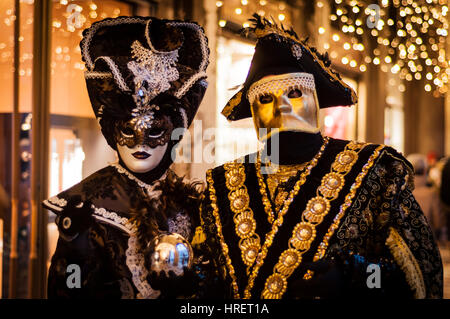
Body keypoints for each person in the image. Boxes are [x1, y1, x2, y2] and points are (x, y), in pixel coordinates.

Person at [198, 14, 443, 299]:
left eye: (295, 92)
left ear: (316, 98)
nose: (283, 107)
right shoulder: (222, 183)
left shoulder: (375, 172)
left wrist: (358, 276)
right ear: (253, 111)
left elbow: (419, 271)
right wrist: (194, 283)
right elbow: (213, 277)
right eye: (266, 98)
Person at [43, 16, 213, 298]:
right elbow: (67, 290)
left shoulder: (191, 204)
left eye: (156, 130)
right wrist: (76, 256)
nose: (140, 143)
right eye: (128, 130)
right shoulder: (89, 205)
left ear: (175, 134)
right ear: (112, 131)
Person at [407, 154, 444, 240]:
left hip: (405, 244)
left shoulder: (401, 192)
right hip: (427, 240)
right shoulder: (431, 193)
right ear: (425, 171)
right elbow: (439, 222)